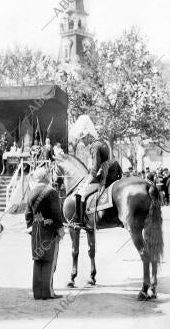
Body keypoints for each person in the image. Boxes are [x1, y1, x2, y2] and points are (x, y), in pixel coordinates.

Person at [69, 115, 122, 228]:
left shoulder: (94, 147)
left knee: (80, 193)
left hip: (105, 174)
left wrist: (86, 182)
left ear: (88, 136)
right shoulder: (102, 142)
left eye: (83, 139)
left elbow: (95, 168)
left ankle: (79, 221)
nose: (82, 142)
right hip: (112, 170)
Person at [25, 167, 64, 300]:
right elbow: (56, 214)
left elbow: (28, 215)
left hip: (36, 231)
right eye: (49, 174)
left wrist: (33, 228)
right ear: (46, 177)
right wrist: (60, 229)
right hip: (49, 230)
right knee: (49, 260)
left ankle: (37, 292)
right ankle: (47, 292)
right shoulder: (51, 192)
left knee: (38, 260)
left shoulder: (31, 192)